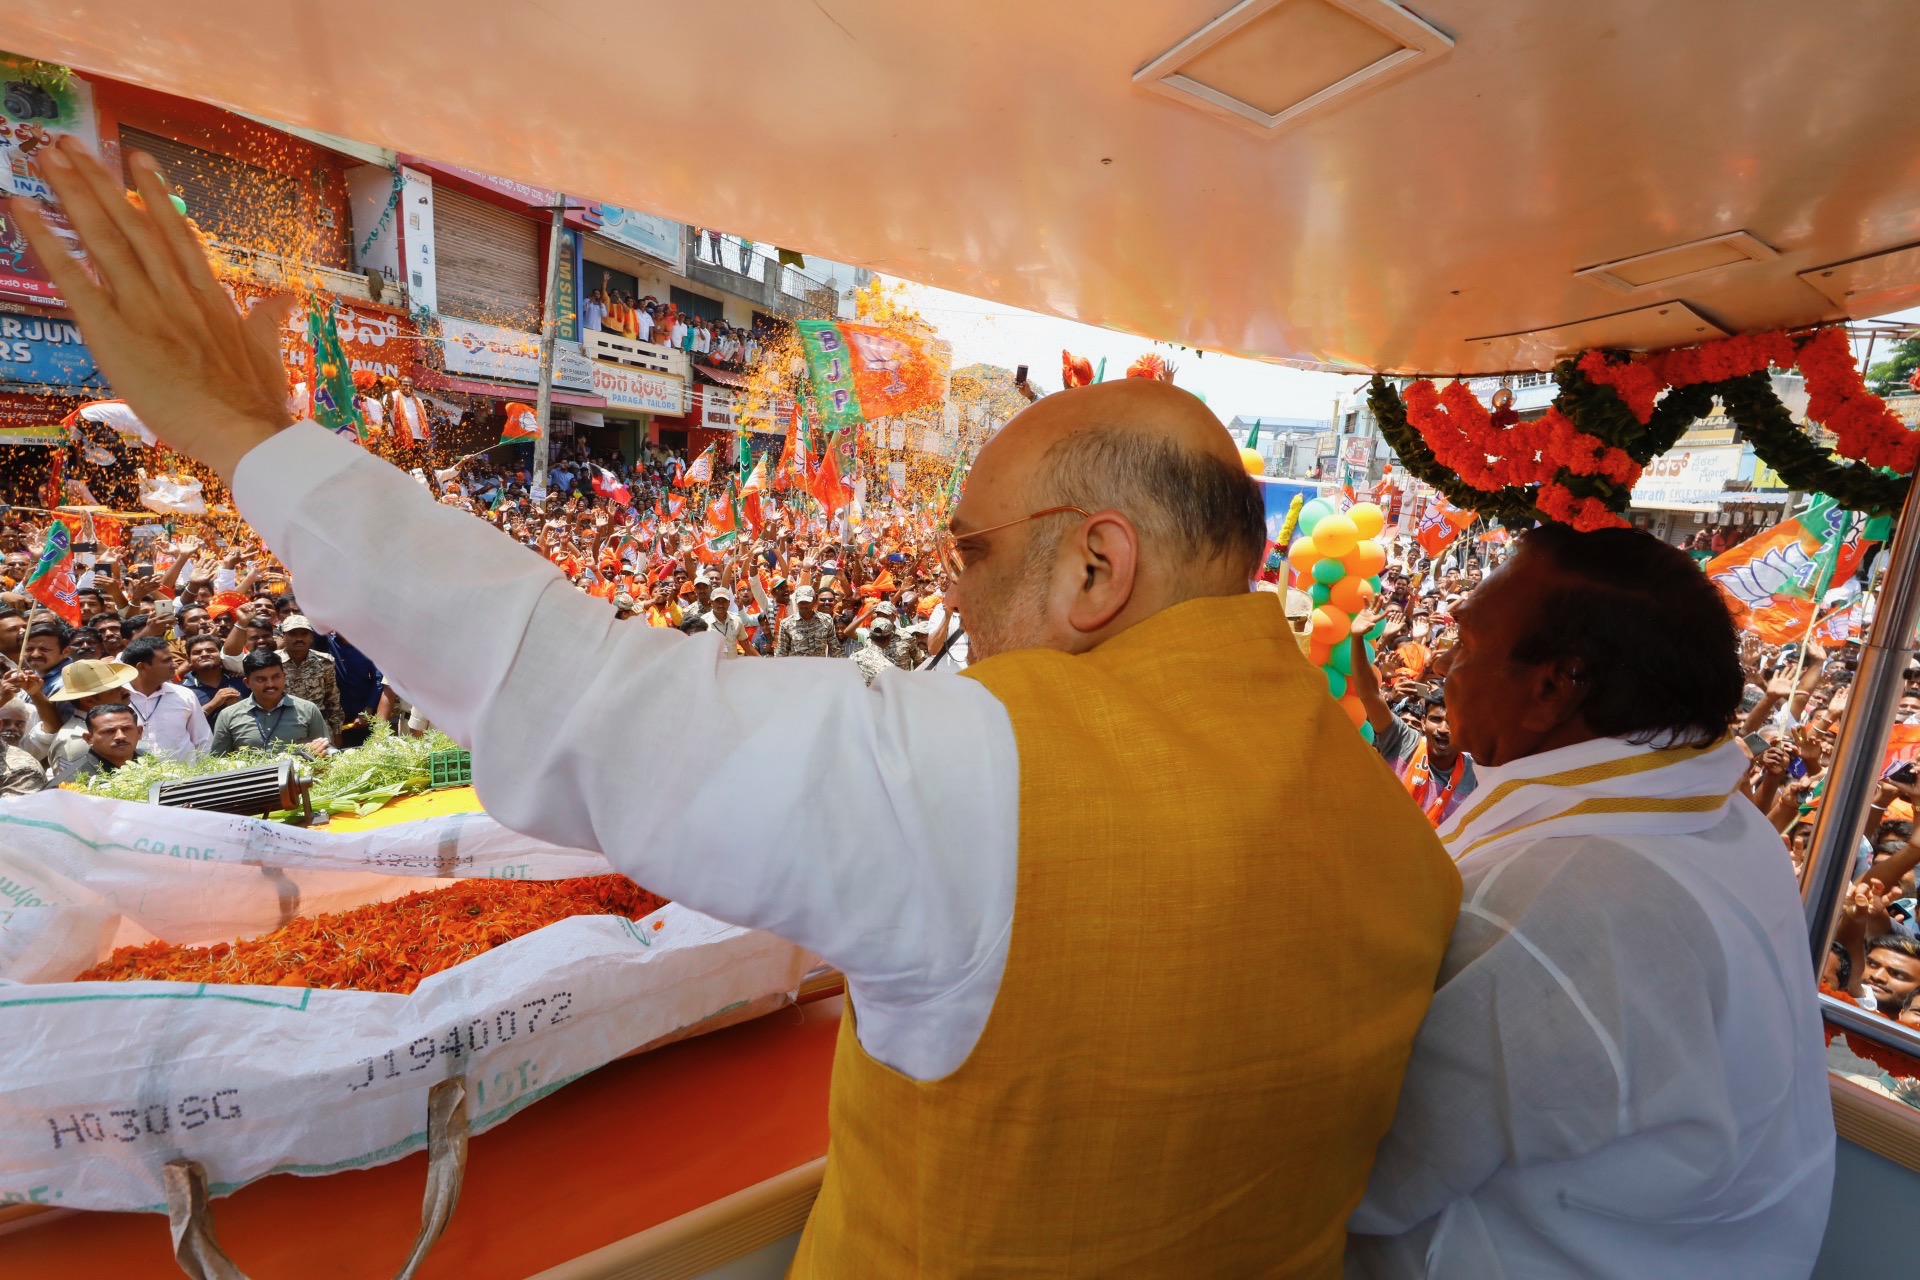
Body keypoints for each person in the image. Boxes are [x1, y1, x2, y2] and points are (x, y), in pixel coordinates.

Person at [24, 144, 1466, 1277]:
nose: (955, 599)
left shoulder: (986, 777)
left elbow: (579, 690)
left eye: (972, 553)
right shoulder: (1400, 844)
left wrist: (247, 439)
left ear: (1097, 564)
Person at [1348, 525, 1834, 1279]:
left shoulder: (1568, 892)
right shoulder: (1721, 820)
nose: (1444, 667)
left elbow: (1376, 1175)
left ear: (1553, 686)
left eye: (1468, 647)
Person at [208, 651, 332, 756]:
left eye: (276, 677)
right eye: (261, 679)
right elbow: (218, 761)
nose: (270, 684)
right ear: (247, 683)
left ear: (284, 676)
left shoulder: (308, 710)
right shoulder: (228, 716)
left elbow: (325, 751)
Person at [119, 635, 211, 760]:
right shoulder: (117, 697)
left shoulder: (184, 695)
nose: (174, 665)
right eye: (166, 661)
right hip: (136, 777)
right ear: (142, 667)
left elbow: (203, 742)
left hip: (186, 777)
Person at [276, 613, 344, 740]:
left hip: (318, 726)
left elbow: (332, 698)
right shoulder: (273, 662)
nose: (299, 638)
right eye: (293, 634)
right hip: (283, 726)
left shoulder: (325, 662)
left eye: (304, 634)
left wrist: (337, 731)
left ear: (311, 637)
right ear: (283, 637)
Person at [52, 703, 145, 784]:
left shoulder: (155, 764)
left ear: (139, 732)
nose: (120, 736)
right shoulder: (71, 783)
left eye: (126, 729)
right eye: (109, 731)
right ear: (89, 739)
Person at [181, 634, 248, 720]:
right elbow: (182, 723)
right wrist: (213, 704)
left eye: (210, 650)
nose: (204, 654)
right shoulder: (182, 690)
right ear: (189, 660)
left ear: (221, 655)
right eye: (197, 652)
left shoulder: (242, 681)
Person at [0, 699, 48, 796]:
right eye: (6, 723)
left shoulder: (23, 769)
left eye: (20, 724)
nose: (12, 728)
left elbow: (12, 809)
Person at [775, 585, 835, 657]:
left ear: (814, 601)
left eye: (807, 602)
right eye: (801, 602)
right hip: (797, 667)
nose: (803, 605)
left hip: (819, 667)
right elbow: (781, 653)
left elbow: (835, 648)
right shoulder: (786, 624)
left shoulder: (826, 620)